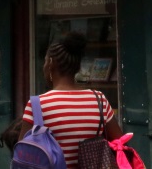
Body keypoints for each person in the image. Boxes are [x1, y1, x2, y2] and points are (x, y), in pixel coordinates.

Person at [20, 32, 124, 168]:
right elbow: (121, 145)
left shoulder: (37, 105)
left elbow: (22, 157)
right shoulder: (99, 100)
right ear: (78, 66)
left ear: (50, 63)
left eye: (45, 61)